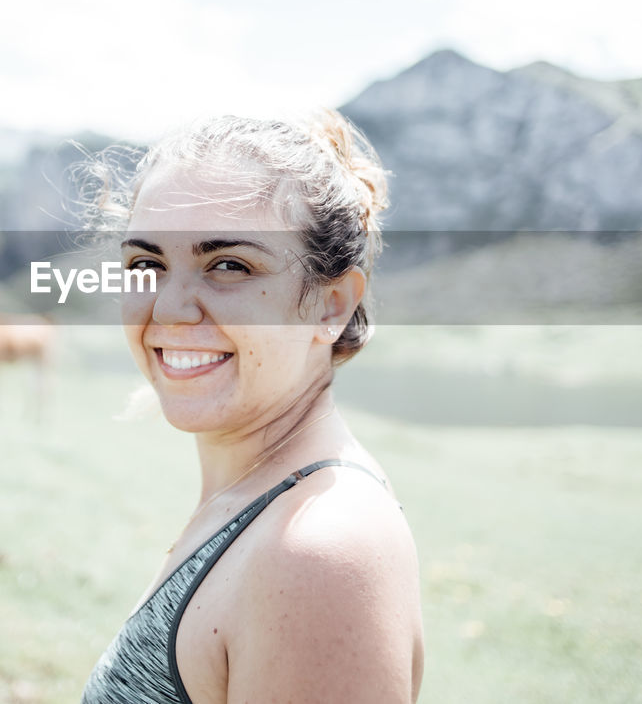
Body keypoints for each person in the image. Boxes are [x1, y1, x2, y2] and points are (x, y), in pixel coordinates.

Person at [79, 112, 424, 703]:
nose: (168, 309)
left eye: (230, 265)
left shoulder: (316, 554)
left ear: (329, 304)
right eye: (147, 264)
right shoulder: (257, 499)